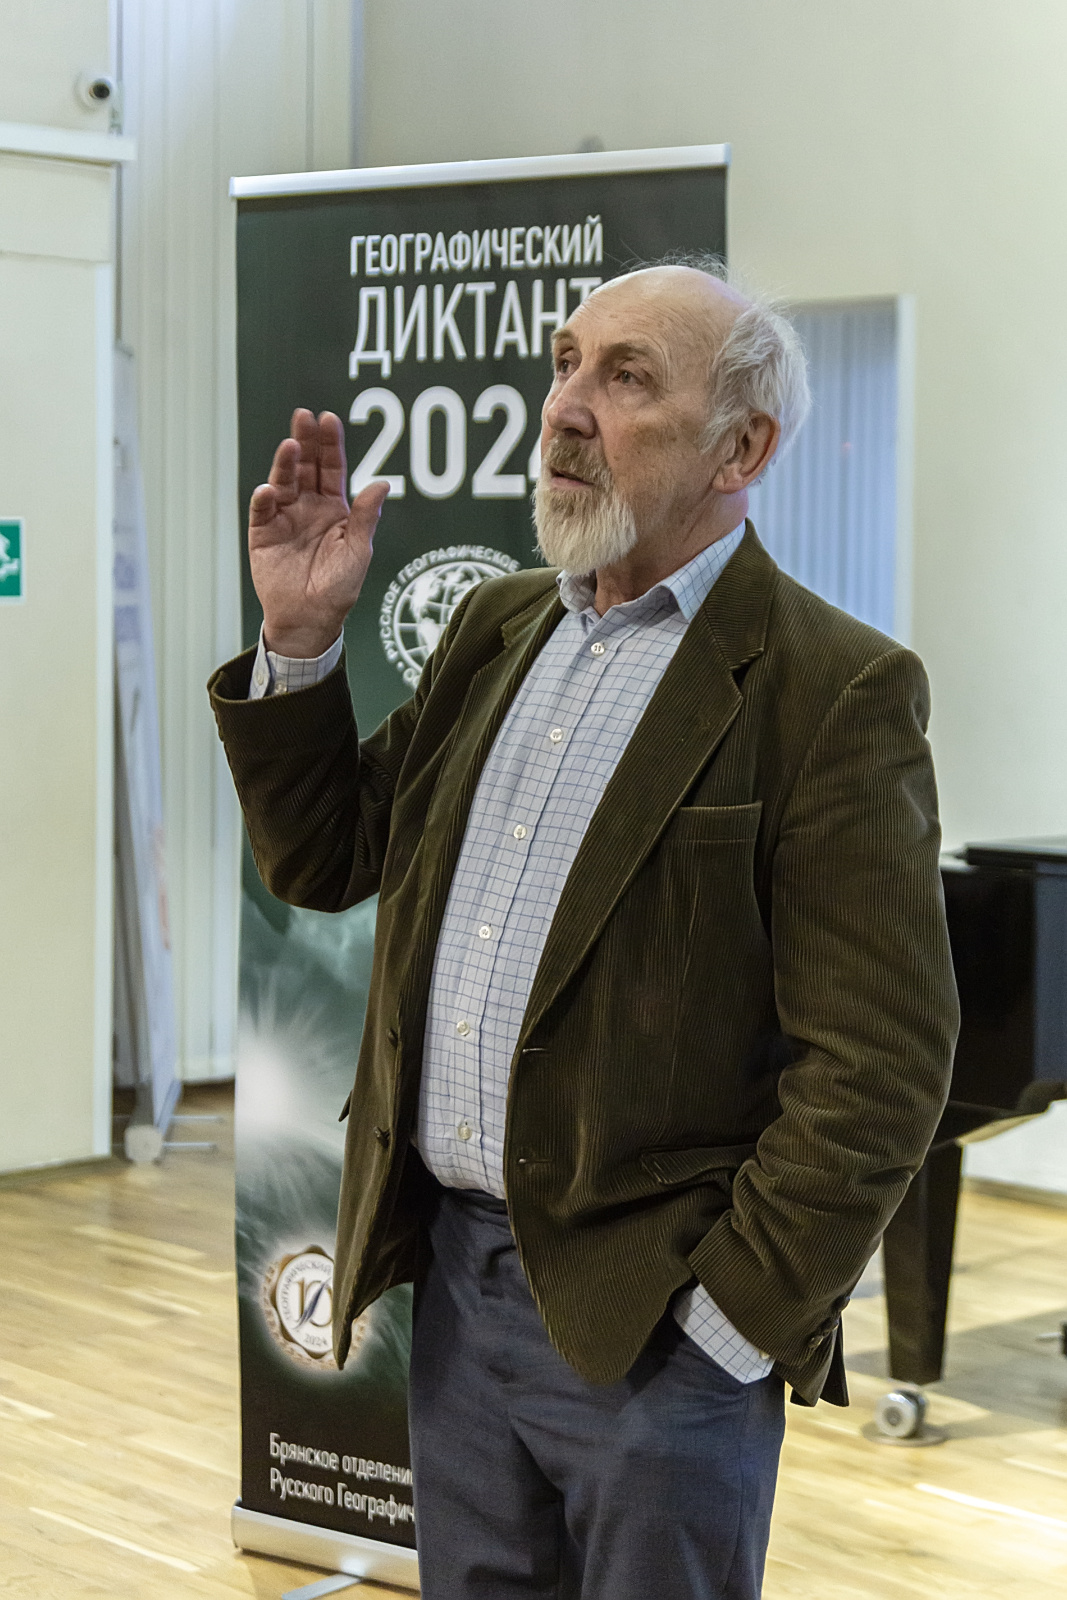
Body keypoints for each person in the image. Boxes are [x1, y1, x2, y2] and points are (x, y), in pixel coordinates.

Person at [210, 262, 958, 1599]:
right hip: (454, 1289)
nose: (565, 405)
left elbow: (883, 1063)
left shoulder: (833, 689)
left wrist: (729, 1322)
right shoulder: (495, 628)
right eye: (565, 363)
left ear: (741, 449)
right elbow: (326, 855)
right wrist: (302, 637)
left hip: (658, 1332)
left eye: (626, 377)